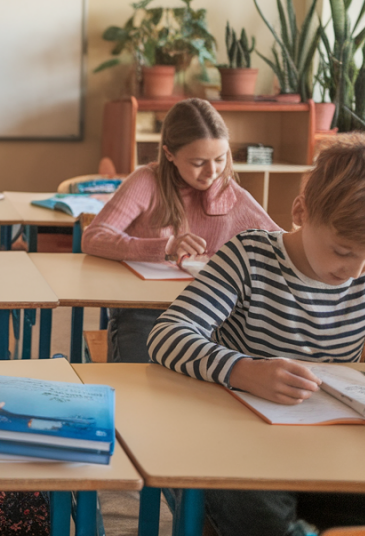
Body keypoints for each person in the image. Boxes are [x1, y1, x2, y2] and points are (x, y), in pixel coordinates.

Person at [147, 134, 365, 536]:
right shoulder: (249, 256)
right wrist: (243, 370)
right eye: (343, 251)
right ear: (301, 211)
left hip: (329, 446)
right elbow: (168, 334)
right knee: (260, 517)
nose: (354, 271)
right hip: (239, 441)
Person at [82, 98, 279, 363]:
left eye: (220, 159)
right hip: (145, 309)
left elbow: (277, 242)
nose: (212, 172)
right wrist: (165, 247)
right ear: (169, 154)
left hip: (206, 311)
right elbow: (94, 238)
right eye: (198, 162)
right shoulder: (146, 181)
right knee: (141, 384)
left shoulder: (228, 190)